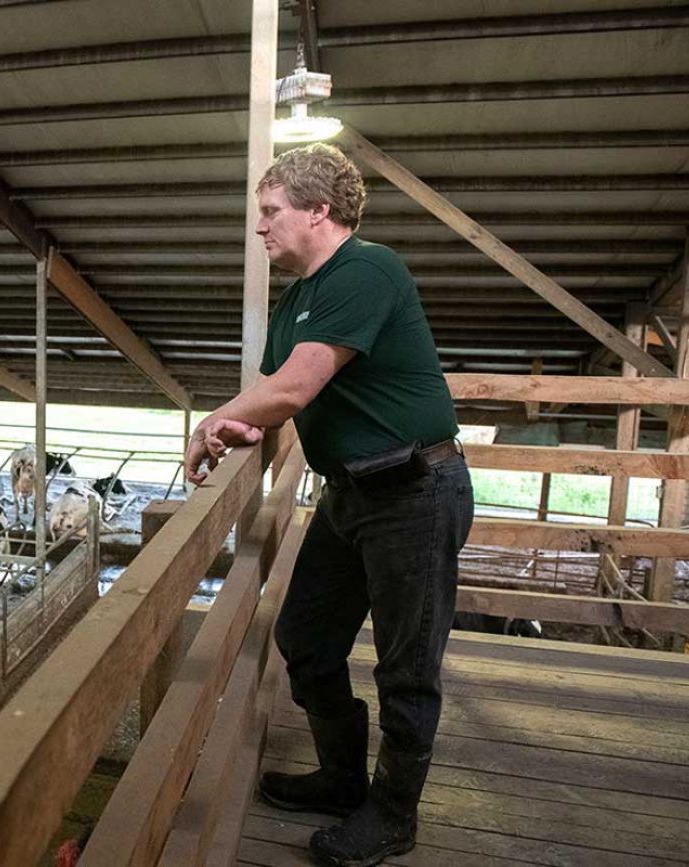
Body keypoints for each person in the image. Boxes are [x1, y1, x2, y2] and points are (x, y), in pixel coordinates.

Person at [183, 143, 474, 867]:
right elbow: (270, 402)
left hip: (414, 490)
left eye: (271, 212)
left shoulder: (366, 269)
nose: (261, 227)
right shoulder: (296, 300)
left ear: (319, 211)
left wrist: (209, 419)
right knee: (307, 639)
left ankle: (393, 813)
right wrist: (235, 426)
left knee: (408, 664)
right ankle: (344, 778)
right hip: (351, 493)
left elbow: (290, 389)